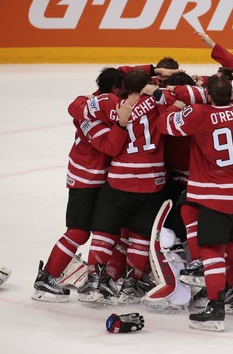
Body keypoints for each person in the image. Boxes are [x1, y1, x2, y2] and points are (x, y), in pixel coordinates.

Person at [157, 66, 233, 332]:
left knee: (212, 250)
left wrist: (177, 103)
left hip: (217, 196)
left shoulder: (200, 114)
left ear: (208, 96)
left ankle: (215, 309)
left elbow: (164, 124)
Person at [32, 67, 129, 303]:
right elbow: (110, 147)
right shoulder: (91, 121)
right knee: (79, 231)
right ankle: (47, 278)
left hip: (91, 177)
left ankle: (102, 277)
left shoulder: (95, 102)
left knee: (109, 229)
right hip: (87, 180)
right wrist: (122, 125)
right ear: (115, 89)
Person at [77, 68, 168, 303]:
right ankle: (131, 283)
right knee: (140, 234)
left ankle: (94, 281)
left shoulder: (117, 108)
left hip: (120, 180)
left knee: (105, 230)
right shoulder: (158, 103)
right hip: (152, 182)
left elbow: (83, 117)